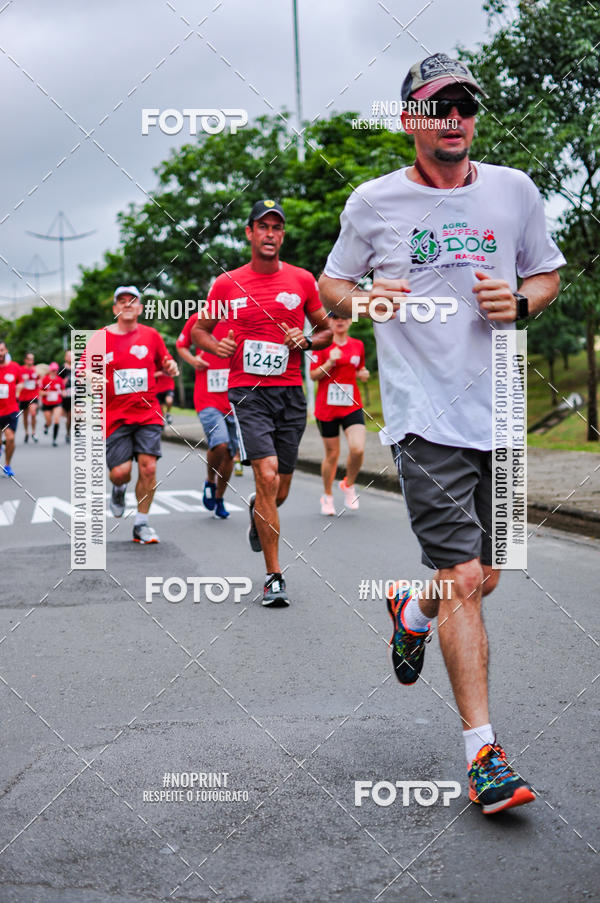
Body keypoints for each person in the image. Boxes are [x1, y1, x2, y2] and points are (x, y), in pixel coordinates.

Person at [318, 53, 566, 814]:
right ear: (411, 120)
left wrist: (520, 303)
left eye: (464, 105)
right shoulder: (374, 202)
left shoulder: (514, 190)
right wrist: (369, 298)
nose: (454, 117)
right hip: (423, 418)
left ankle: (411, 609)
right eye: (438, 106)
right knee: (464, 577)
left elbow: (546, 274)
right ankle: (484, 755)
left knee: (483, 578)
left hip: (500, 413)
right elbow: (332, 288)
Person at [192, 199, 332, 606]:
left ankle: (259, 509)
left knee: (278, 490)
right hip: (248, 393)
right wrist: (216, 345)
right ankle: (274, 577)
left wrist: (306, 340)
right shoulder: (226, 284)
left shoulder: (302, 280)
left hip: (290, 395)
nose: (270, 233)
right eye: (263, 226)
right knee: (266, 475)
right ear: (250, 233)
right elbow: (200, 330)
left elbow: (326, 331)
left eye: (277, 227)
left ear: (281, 235)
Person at [85, 285, 179, 544]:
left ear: (139, 308)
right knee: (120, 472)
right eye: (122, 300)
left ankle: (141, 524)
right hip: (115, 416)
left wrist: (171, 365)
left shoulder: (151, 335)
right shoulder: (101, 337)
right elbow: (84, 368)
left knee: (149, 468)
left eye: (132, 300)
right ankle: (118, 488)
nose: (127, 304)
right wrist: (93, 377)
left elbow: (166, 361)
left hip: (148, 413)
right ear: (115, 308)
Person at [176, 313, 237, 519]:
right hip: (207, 397)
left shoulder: (240, 317)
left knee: (230, 453)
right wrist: (193, 360)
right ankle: (210, 480)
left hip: (235, 397)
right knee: (220, 442)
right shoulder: (199, 319)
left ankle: (219, 498)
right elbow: (181, 345)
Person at [310, 312, 369, 515]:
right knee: (332, 455)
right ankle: (327, 496)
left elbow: (359, 368)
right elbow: (313, 375)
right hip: (327, 408)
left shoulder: (358, 345)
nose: (340, 321)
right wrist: (329, 362)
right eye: (335, 317)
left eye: (344, 317)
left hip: (351, 404)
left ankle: (348, 484)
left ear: (350, 321)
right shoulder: (321, 344)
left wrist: (363, 373)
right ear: (329, 321)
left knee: (357, 449)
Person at [0, 340, 22, 476]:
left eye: (1, 350)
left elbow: (21, 382)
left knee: (10, 438)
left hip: (11, 409)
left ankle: (7, 465)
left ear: (6, 351)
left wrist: (18, 389)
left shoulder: (14, 367)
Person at [40, 362, 64, 446]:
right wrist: (46, 393)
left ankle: (54, 439)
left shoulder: (59, 380)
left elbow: (63, 390)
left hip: (57, 403)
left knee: (56, 419)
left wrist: (63, 393)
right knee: (49, 421)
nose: (54, 372)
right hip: (47, 403)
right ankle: (46, 426)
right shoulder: (45, 379)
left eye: (56, 370)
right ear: (50, 370)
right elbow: (40, 391)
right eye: (53, 370)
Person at [18, 351, 39, 443]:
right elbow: (17, 381)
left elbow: (41, 379)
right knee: (25, 416)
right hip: (23, 396)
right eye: (29, 359)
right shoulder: (20, 370)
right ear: (25, 360)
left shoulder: (36, 370)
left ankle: (33, 432)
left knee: (33, 413)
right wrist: (22, 380)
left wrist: (38, 382)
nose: (31, 361)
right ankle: (26, 432)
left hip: (33, 396)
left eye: (32, 359)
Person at [59, 350, 73, 443]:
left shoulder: (78, 367)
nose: (71, 357)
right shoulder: (62, 368)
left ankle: (77, 428)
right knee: (69, 416)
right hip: (67, 395)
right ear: (65, 357)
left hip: (76, 394)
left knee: (78, 412)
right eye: (69, 356)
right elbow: (57, 381)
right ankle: (68, 433)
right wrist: (62, 384)